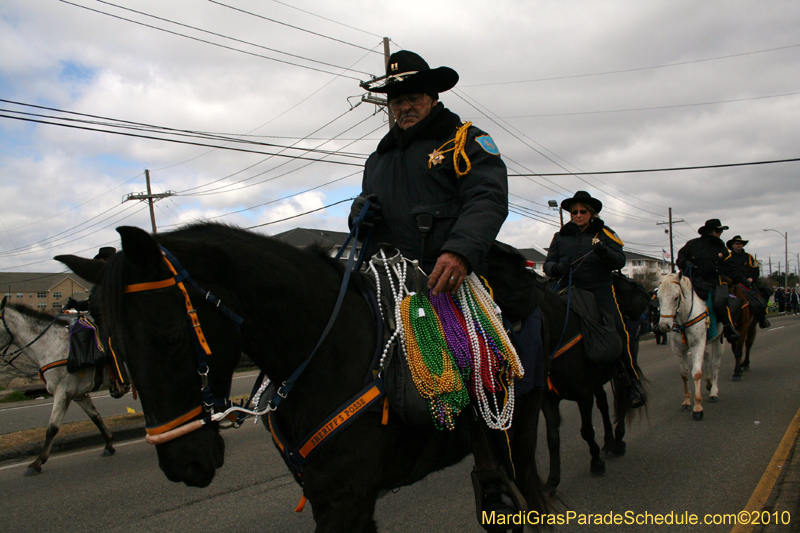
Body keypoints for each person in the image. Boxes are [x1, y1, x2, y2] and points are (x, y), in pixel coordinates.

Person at [351, 51, 515, 521]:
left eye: (413, 97)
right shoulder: (378, 157)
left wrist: (461, 250)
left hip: (441, 280)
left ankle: (491, 470)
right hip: (382, 276)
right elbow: (368, 208)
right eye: (397, 99)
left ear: (433, 96)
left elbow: (487, 195)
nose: (404, 106)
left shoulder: (465, 140)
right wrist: (359, 214)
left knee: (477, 359)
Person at [543, 190, 646, 408]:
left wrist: (603, 253)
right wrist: (559, 267)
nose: (578, 215)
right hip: (568, 289)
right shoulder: (560, 236)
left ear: (591, 214)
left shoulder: (605, 234)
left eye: (582, 212)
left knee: (620, 330)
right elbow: (547, 265)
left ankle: (631, 382)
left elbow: (620, 261)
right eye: (574, 212)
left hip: (599, 290)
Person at [676, 219, 741, 344]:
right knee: (672, 298)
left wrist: (742, 280)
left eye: (721, 231)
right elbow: (681, 257)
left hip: (712, 283)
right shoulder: (692, 244)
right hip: (692, 281)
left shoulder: (721, 248)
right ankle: (669, 325)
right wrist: (685, 262)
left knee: (717, 303)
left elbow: (730, 267)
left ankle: (727, 327)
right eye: (718, 230)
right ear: (710, 231)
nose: (720, 233)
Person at [723, 235, 770, 328]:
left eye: (741, 244)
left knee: (760, 297)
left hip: (746, 283)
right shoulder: (728, 256)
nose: (739, 245)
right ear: (732, 245)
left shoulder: (749, 257)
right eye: (737, 243)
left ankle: (762, 317)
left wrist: (751, 278)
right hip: (731, 283)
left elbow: (755, 270)